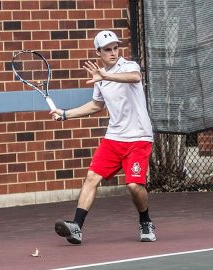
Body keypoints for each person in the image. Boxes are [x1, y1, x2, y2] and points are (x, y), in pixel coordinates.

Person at [50, 30, 156, 244]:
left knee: (134, 186)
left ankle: (145, 221)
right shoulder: (100, 78)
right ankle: (76, 227)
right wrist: (65, 114)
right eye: (107, 50)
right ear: (98, 52)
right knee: (92, 177)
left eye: (116, 48)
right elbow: (97, 105)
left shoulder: (128, 67)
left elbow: (135, 78)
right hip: (114, 138)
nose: (113, 53)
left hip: (139, 138)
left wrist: (105, 75)